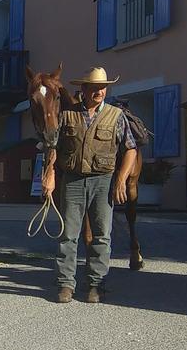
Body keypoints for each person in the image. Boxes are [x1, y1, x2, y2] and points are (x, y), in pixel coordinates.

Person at [40, 67, 138, 304]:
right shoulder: (67, 115)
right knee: (68, 235)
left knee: (102, 236)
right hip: (72, 180)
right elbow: (53, 147)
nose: (99, 92)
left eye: (102, 88)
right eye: (94, 88)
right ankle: (66, 284)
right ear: (83, 90)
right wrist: (50, 176)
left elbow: (130, 150)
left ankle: (96, 283)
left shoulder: (116, 116)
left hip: (103, 181)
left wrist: (121, 180)